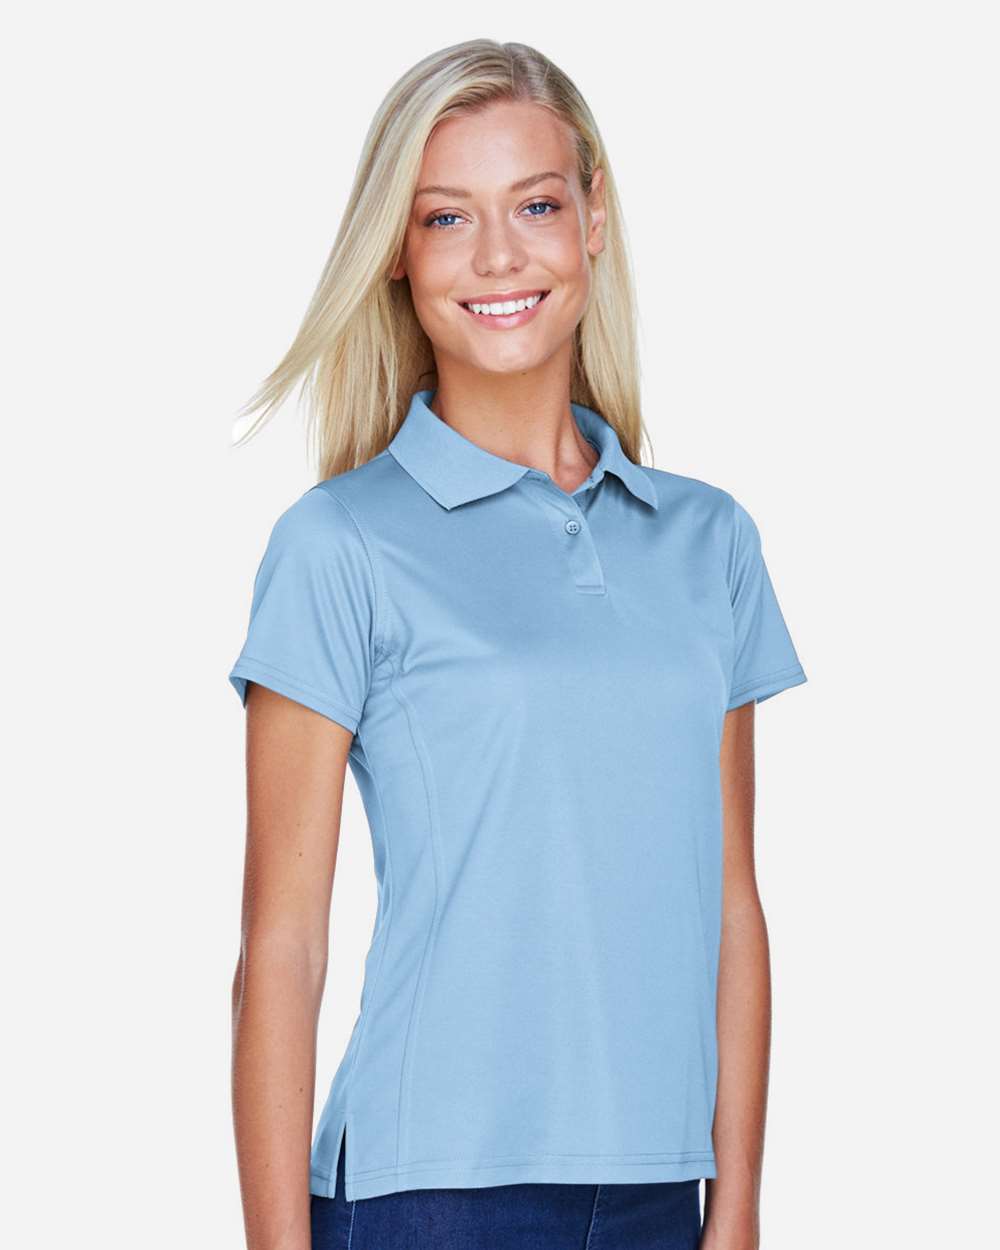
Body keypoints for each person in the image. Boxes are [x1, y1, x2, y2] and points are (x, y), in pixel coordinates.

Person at [227, 38, 808, 1250]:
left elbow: (732, 903)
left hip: (661, 1187)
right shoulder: (338, 543)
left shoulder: (708, 540)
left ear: (592, 219)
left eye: (535, 205)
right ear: (398, 251)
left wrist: (740, 1202)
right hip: (427, 1191)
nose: (498, 256)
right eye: (447, 217)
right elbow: (281, 945)